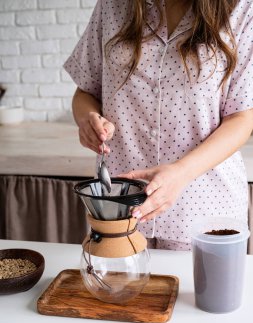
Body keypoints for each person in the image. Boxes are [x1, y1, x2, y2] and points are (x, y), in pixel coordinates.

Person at [64, 0, 253, 250]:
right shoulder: (112, 6)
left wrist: (181, 173)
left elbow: (242, 118)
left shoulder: (242, 9)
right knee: (116, 288)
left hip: (204, 211)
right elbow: (85, 91)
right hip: (120, 212)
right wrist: (87, 118)